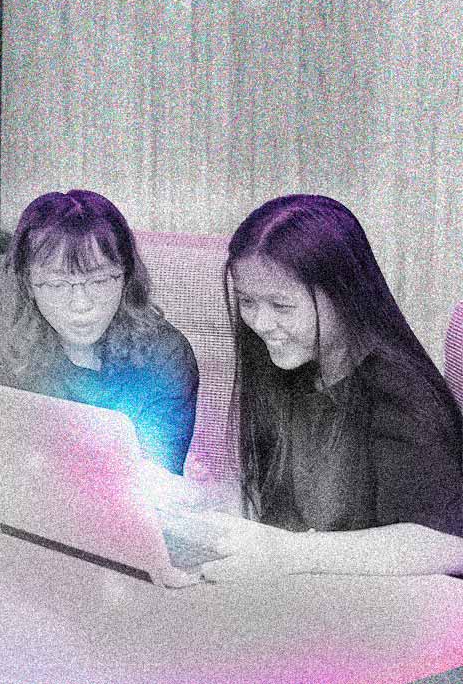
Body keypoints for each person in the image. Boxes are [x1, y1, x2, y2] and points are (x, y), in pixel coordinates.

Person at [194, 194, 463, 582]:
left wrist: (288, 553)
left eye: (281, 306)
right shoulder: (293, 364)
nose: (260, 323)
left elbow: (444, 544)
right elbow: (281, 511)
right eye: (247, 302)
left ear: (343, 293)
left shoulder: (399, 393)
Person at [0, 190, 198, 474]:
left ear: (127, 276)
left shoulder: (164, 356)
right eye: (56, 285)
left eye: (100, 281)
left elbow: (157, 481)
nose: (81, 304)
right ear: (27, 284)